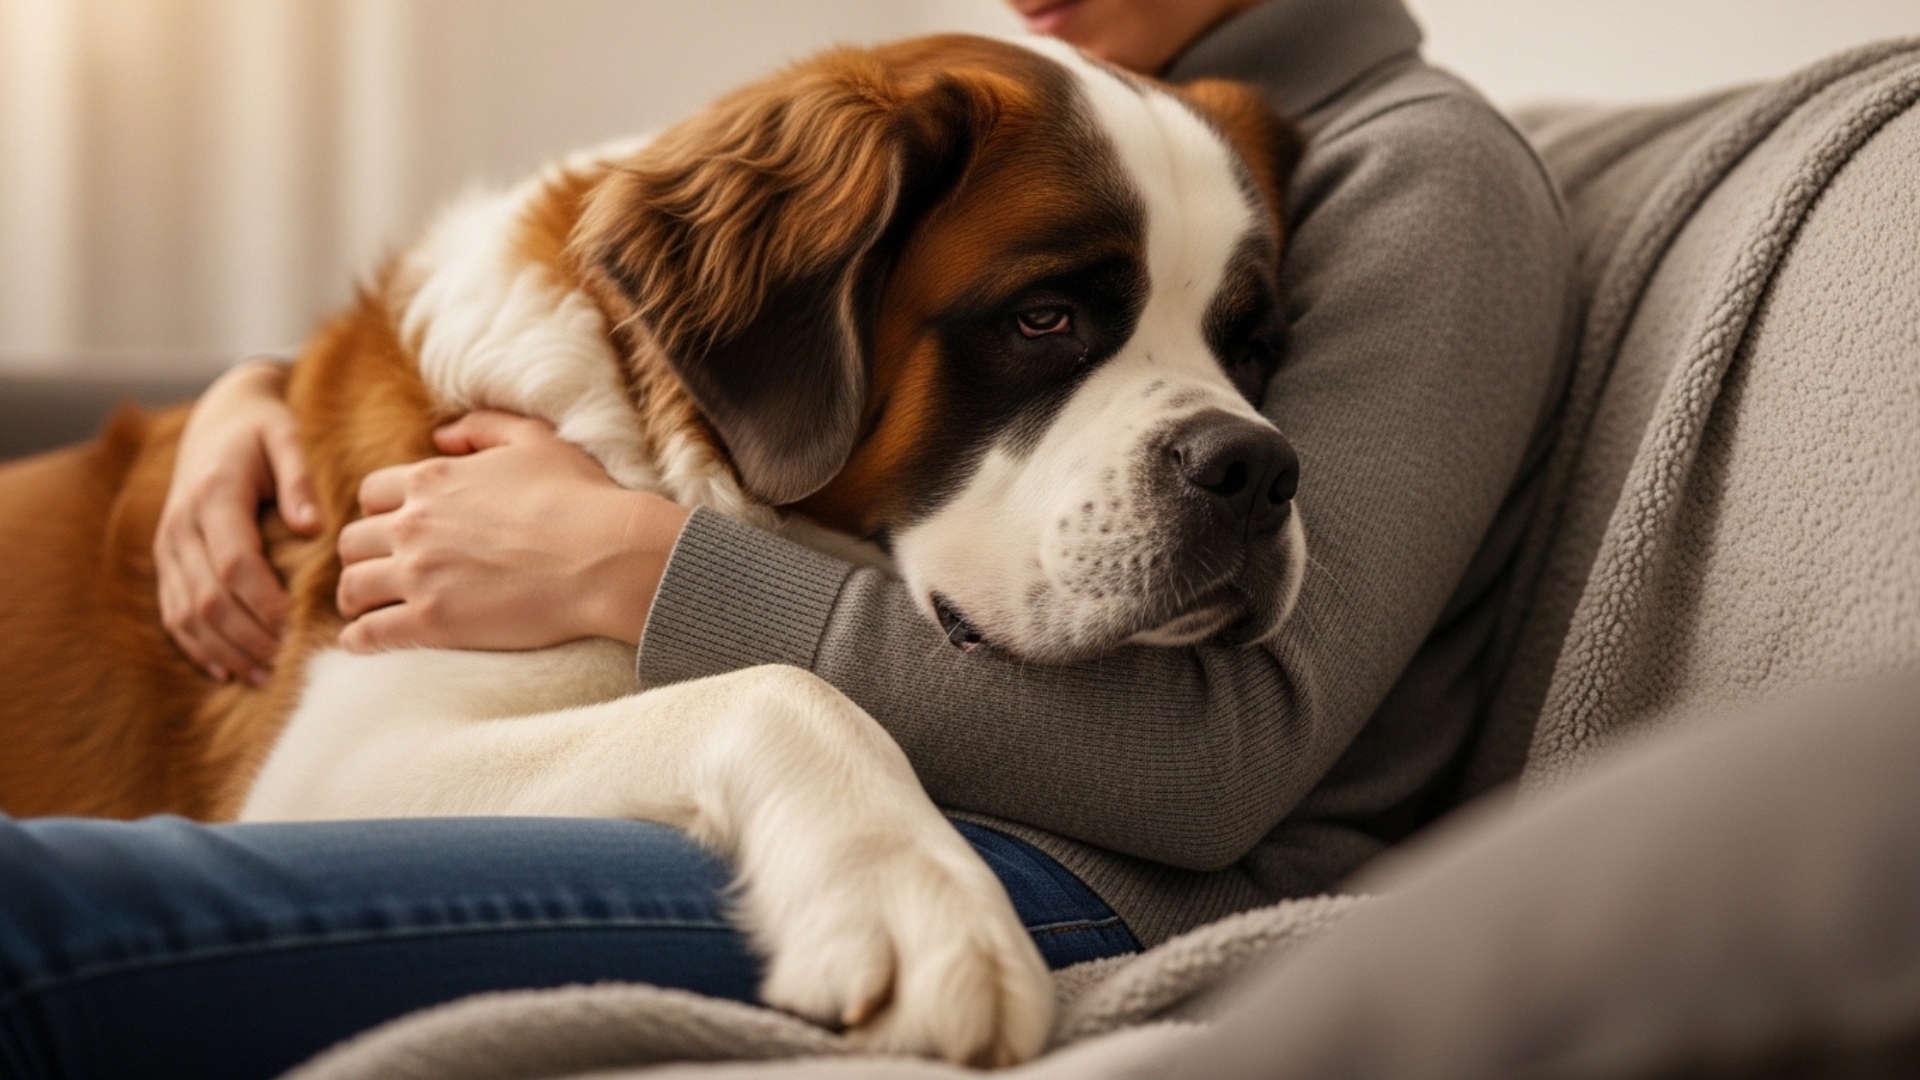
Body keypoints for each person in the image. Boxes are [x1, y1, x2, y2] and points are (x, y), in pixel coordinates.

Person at [0, 1, 1572, 1077]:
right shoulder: (1083, 128)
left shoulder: (1403, 165)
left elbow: (1227, 758)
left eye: (1239, 344)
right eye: (1048, 317)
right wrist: (257, 395)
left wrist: (638, 569)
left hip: (1063, 858)